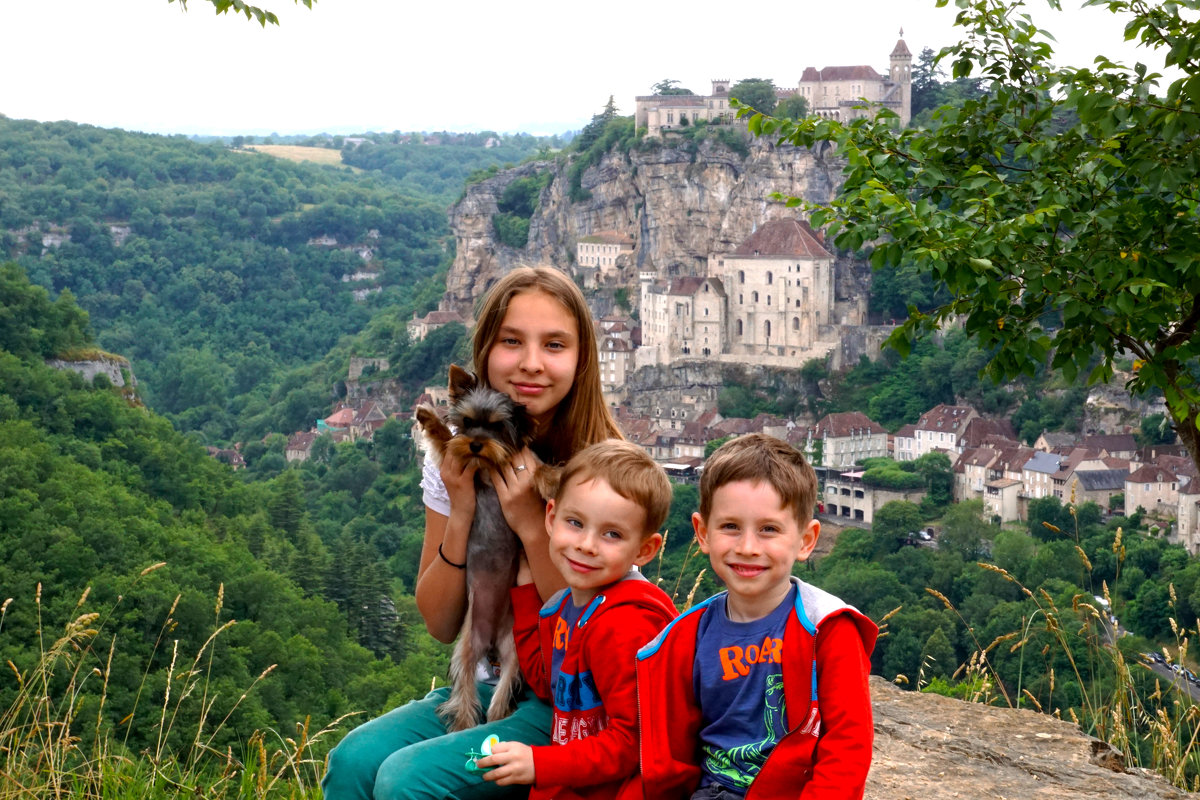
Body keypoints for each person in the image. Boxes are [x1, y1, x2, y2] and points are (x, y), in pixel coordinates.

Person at [322, 267, 624, 800]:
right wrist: (460, 510)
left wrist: (533, 524)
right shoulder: (460, 459)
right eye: (512, 341)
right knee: (352, 762)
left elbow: (578, 641)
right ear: (485, 354)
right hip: (482, 679)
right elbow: (440, 623)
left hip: (568, 699)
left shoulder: (605, 472)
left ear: (582, 362)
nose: (531, 362)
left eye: (554, 344)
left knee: (404, 780)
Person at [636, 434, 877, 800]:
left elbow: (847, 747)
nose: (747, 548)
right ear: (702, 533)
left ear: (806, 540)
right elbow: (671, 751)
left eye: (769, 529)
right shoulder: (688, 636)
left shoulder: (828, 629)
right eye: (730, 526)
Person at [477, 439, 677, 800]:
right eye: (575, 522)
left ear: (644, 550)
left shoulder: (624, 626)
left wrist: (542, 764)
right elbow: (547, 682)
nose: (586, 544)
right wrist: (525, 595)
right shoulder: (570, 606)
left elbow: (633, 743)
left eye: (612, 534)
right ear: (551, 518)